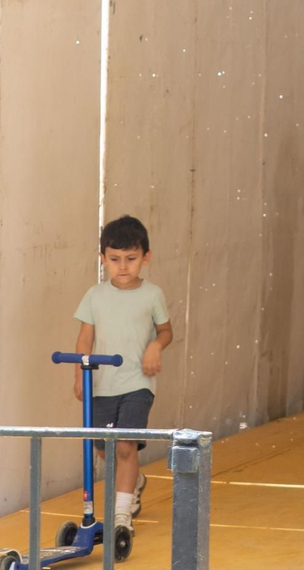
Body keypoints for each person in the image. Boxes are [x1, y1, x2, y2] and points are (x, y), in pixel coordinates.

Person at [73, 215, 175, 535]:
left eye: (131, 259)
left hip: (137, 383)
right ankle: (137, 482)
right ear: (103, 258)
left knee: (126, 446)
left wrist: (155, 347)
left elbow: (166, 331)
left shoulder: (152, 294)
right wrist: (80, 375)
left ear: (146, 257)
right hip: (102, 384)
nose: (123, 266)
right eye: (115, 259)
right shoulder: (95, 295)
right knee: (105, 449)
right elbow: (85, 338)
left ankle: (120, 515)